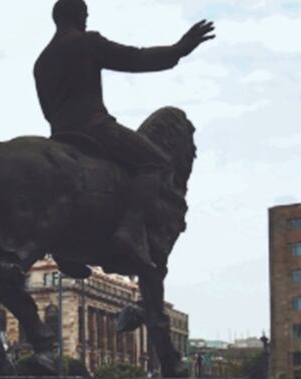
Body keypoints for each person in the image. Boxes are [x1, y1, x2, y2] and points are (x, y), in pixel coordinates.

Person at [33, 0, 214, 270]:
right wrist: (178, 49)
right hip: (95, 127)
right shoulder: (87, 42)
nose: (86, 20)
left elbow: (47, 110)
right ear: (78, 15)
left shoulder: (41, 61)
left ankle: (66, 252)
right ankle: (129, 229)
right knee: (157, 162)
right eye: (85, 15)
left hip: (60, 135)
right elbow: (135, 58)